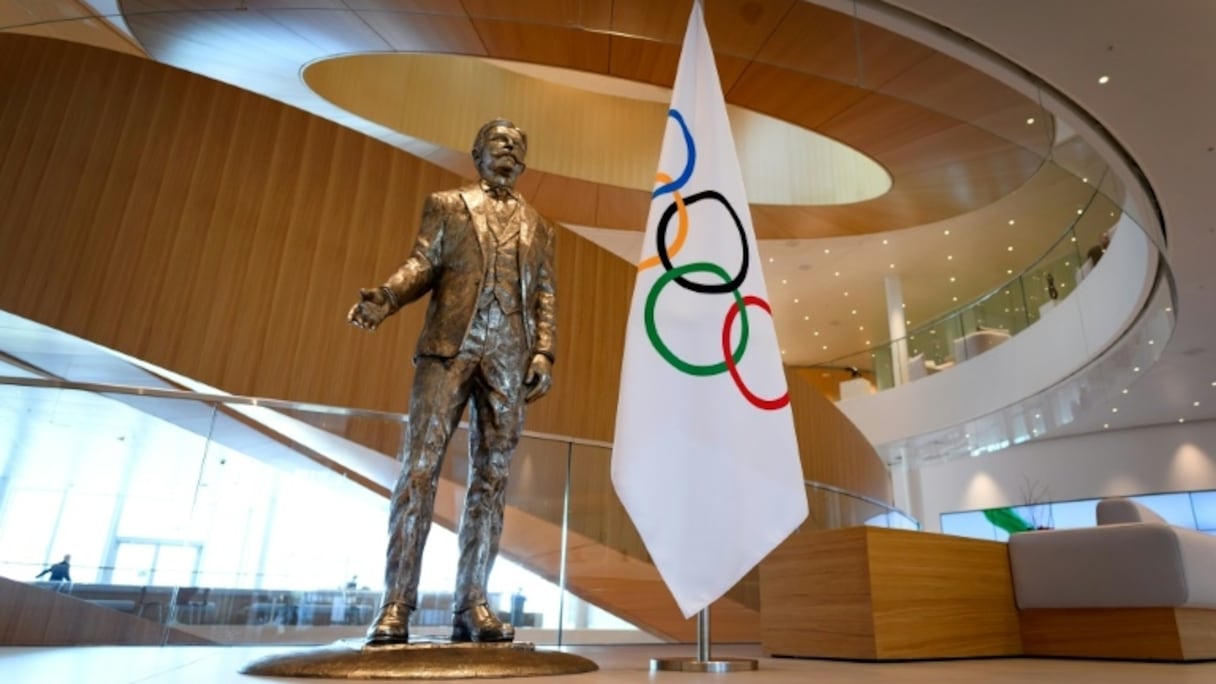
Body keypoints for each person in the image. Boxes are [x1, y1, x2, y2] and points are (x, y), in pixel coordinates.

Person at [347, 118, 557, 645]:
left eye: (517, 143)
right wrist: (388, 297)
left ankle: (473, 605)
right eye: (498, 141)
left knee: (491, 481)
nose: (508, 148)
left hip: (509, 359)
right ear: (476, 153)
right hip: (447, 350)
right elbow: (423, 263)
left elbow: (545, 295)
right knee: (418, 471)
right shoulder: (447, 205)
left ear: (524, 161)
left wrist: (544, 352)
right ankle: (396, 604)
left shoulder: (541, 228)